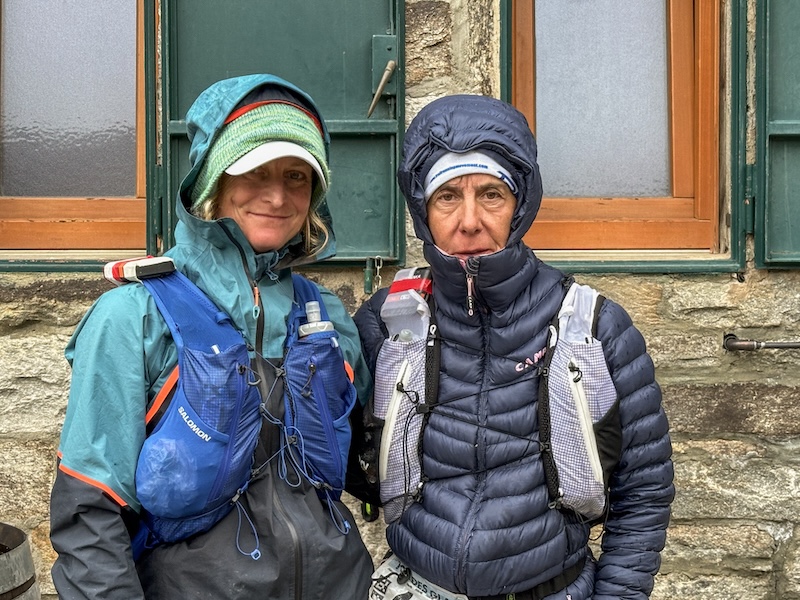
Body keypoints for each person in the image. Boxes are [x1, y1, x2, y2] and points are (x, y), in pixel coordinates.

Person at [50, 74, 374, 599]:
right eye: (255, 171)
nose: (277, 195)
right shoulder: (134, 316)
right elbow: (89, 515)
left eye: (297, 176)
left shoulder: (327, 318)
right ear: (211, 180)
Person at [353, 95, 674, 599]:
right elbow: (334, 456)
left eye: (491, 195)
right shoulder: (389, 322)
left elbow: (644, 492)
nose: (469, 221)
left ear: (519, 204)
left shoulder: (593, 327)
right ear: (423, 210)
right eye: (447, 197)